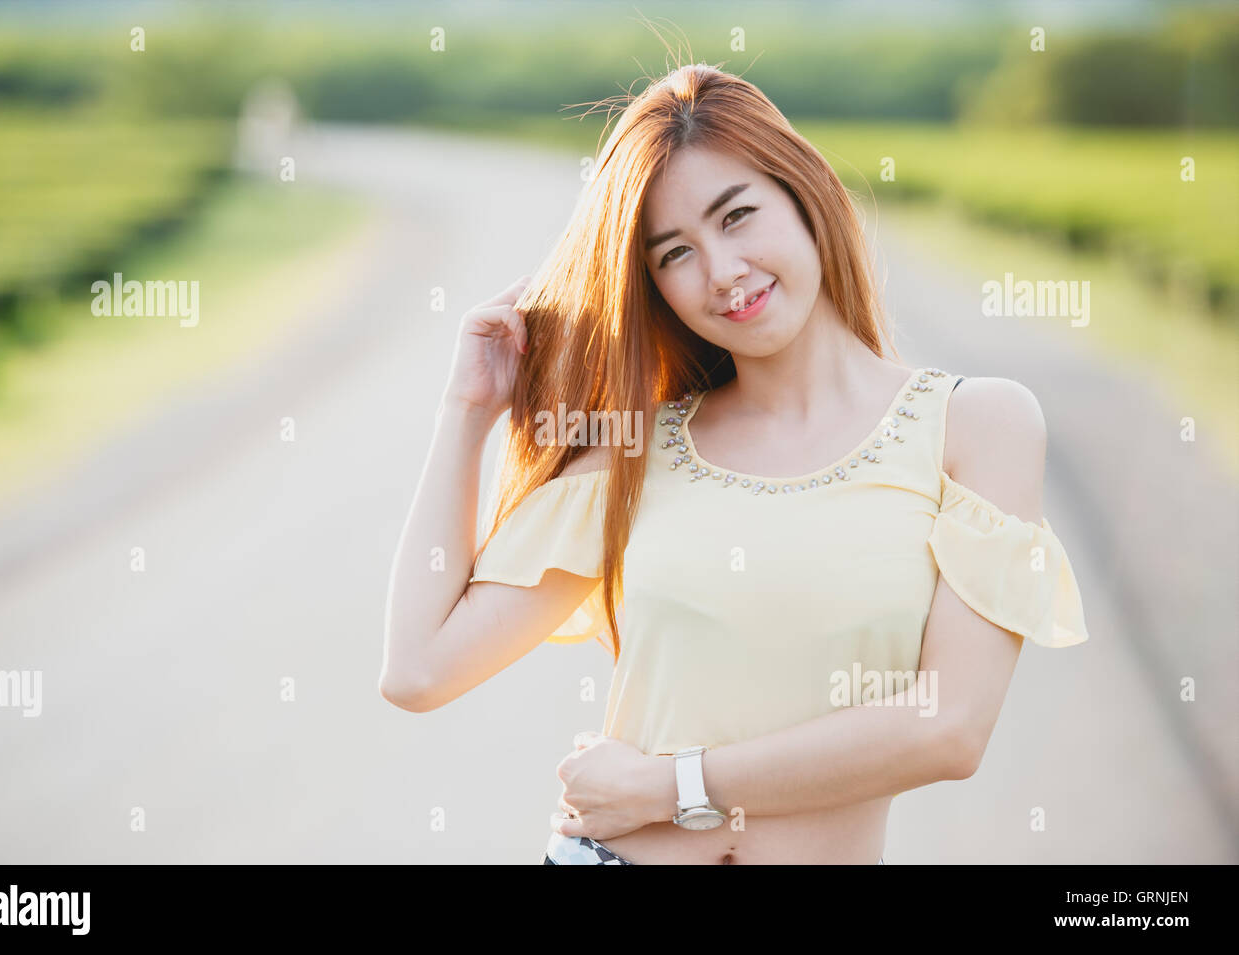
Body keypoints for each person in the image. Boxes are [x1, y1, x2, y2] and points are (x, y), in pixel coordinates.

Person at [380, 62, 1090, 865]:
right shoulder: (639, 447)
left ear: (806, 195)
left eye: (738, 215)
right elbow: (417, 668)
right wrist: (465, 412)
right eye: (674, 254)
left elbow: (949, 729)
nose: (722, 273)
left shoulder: (977, 425)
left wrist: (668, 787)